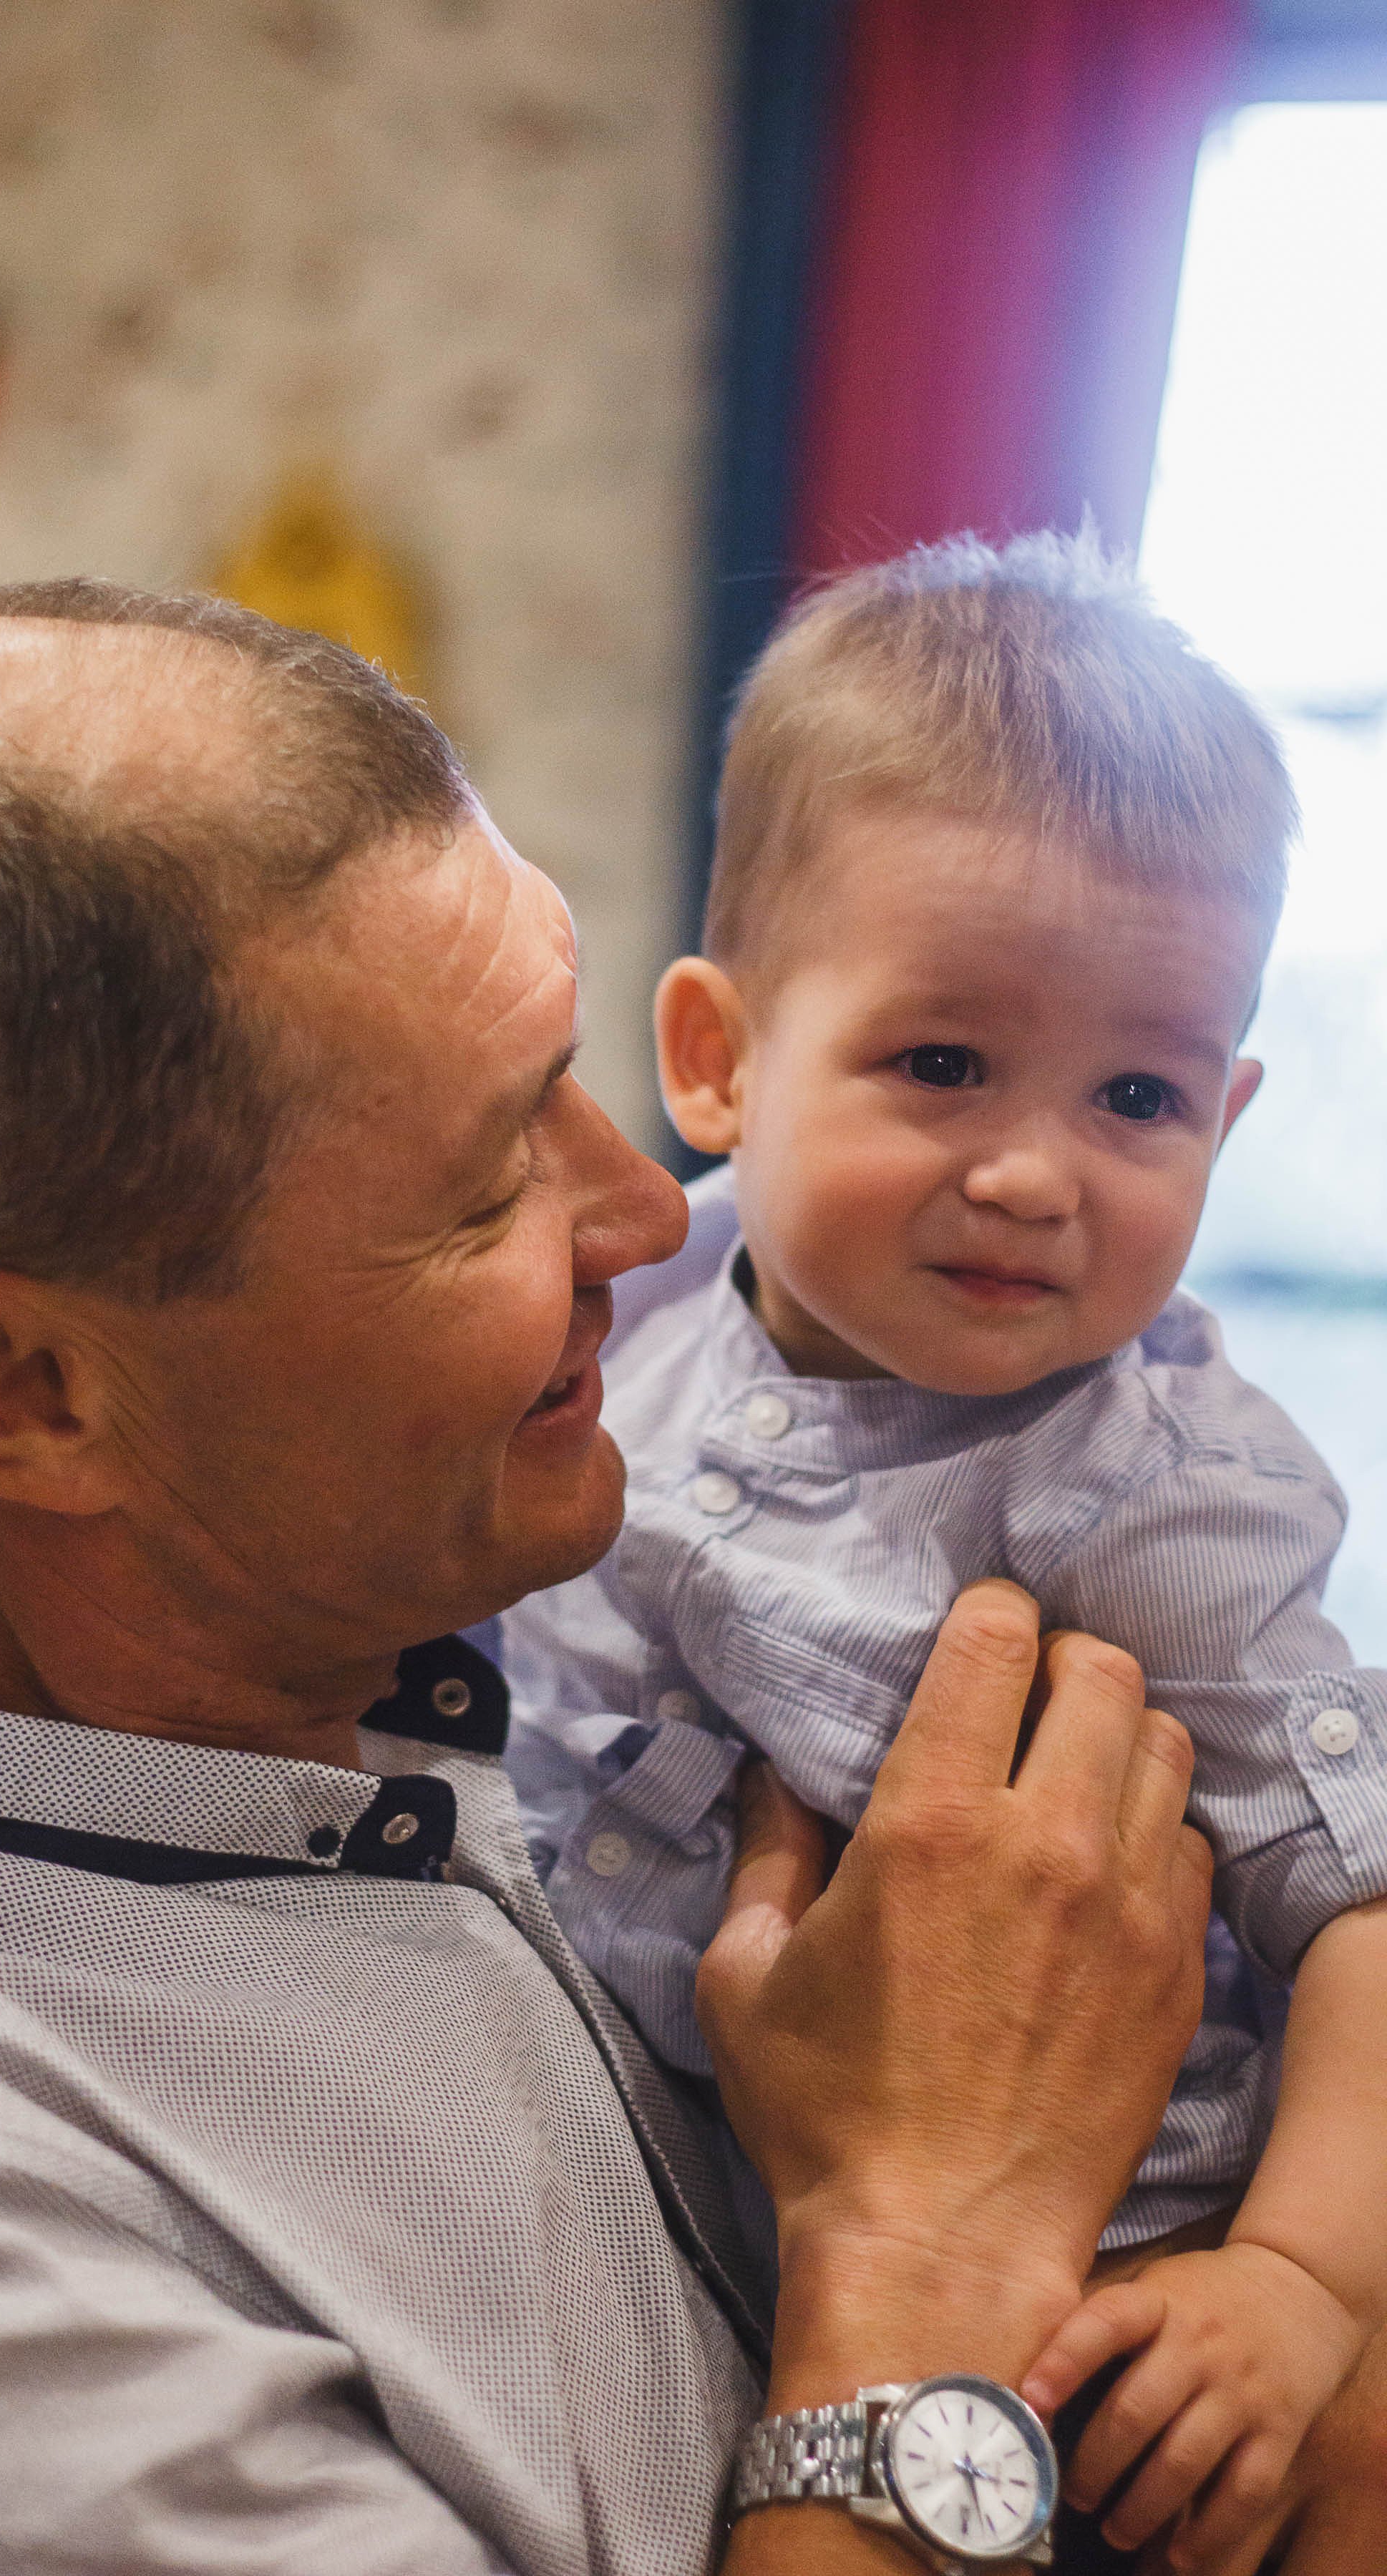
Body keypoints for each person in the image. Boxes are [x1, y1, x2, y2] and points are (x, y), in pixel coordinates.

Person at [0, 575, 1348, 2576]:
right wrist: (930, 2251)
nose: (650, 1216)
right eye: (486, 1183)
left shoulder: (327, 1633)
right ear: (27, 1390)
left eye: (570, 1072)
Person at [500, 534, 1387, 2570]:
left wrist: (1308, 2289)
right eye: (944, 1063)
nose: (1030, 1173)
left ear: (1227, 1119)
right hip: (700, 2254)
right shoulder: (627, 1313)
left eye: (1138, 1096)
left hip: (1098, 2351)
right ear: (718, 1059)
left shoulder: (1158, 1488)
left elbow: (1364, 1894)